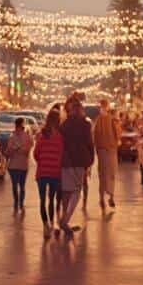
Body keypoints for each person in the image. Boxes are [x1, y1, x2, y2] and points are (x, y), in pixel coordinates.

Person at [58, 95, 94, 238]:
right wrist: (91, 159)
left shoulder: (64, 125)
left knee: (67, 191)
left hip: (66, 161)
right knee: (77, 190)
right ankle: (64, 220)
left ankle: (64, 218)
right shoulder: (85, 124)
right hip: (79, 160)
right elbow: (89, 143)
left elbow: (61, 143)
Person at [33, 109, 64, 239]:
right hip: (55, 172)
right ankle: (52, 223)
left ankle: (46, 226)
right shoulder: (61, 137)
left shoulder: (41, 135)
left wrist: (42, 161)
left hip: (42, 172)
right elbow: (62, 155)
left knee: (42, 200)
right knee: (52, 199)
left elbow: (35, 154)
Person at [92, 98, 120, 210]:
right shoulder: (107, 120)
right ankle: (106, 198)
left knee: (105, 175)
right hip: (107, 150)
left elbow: (94, 136)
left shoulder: (101, 120)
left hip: (105, 150)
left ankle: (106, 198)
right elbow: (118, 134)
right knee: (108, 174)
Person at [5, 117, 33, 213]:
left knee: (15, 185)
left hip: (14, 165)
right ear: (22, 125)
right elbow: (27, 150)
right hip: (22, 165)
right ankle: (20, 203)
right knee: (21, 186)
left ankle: (17, 202)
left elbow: (8, 151)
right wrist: (19, 150)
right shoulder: (27, 137)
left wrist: (14, 150)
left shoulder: (12, 137)